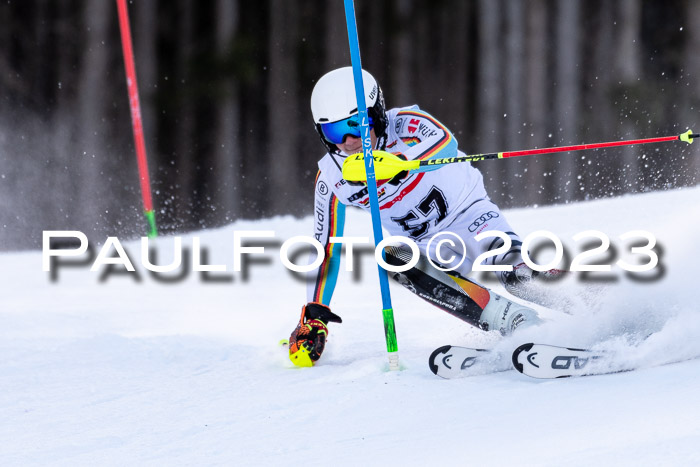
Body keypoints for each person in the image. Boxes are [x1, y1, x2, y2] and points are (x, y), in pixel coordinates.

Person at [288, 67, 561, 367]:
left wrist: (400, 163)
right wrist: (314, 312)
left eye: (356, 124)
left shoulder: (405, 123)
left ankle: (597, 305)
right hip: (427, 247)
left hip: (472, 217)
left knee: (518, 277)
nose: (348, 141)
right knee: (391, 257)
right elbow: (326, 249)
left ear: (376, 113)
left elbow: (446, 141)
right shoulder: (331, 177)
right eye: (334, 132)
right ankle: (516, 322)